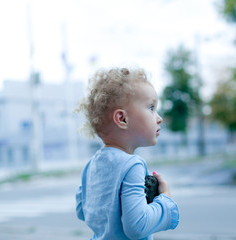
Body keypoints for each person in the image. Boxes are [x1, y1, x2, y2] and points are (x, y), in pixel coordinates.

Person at [75, 67, 179, 240]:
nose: (159, 118)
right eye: (151, 108)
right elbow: (137, 226)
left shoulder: (91, 165)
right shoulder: (132, 165)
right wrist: (165, 200)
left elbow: (83, 211)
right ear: (122, 119)